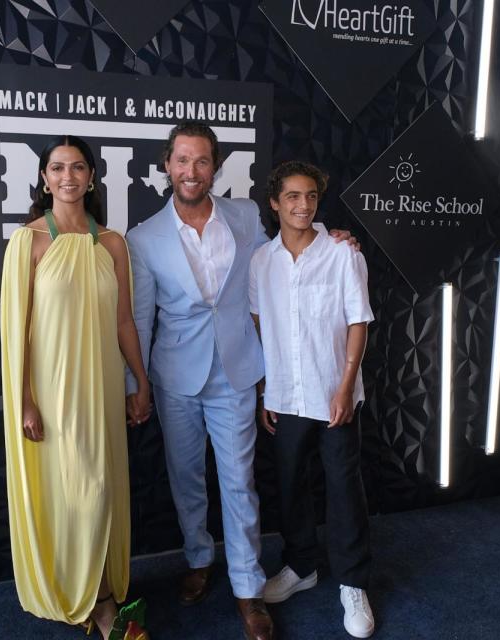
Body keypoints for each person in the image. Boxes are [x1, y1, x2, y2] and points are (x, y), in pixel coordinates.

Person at [126, 123, 356, 640]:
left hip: (237, 371)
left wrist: (331, 236)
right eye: (182, 160)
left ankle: (248, 588)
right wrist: (135, 383)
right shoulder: (142, 239)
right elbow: (140, 319)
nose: (192, 171)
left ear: (215, 168)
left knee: (239, 481)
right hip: (175, 376)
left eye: (202, 161)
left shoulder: (246, 215)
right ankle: (198, 558)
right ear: (167, 165)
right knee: (186, 481)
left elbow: (287, 255)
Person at [0, 135, 152, 639]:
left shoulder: (111, 242)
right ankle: (98, 603)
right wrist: (24, 399)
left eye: (78, 167)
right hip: (52, 387)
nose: (69, 177)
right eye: (58, 168)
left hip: (103, 385)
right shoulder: (28, 241)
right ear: (44, 178)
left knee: (100, 487)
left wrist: (140, 382)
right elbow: (16, 331)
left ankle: (96, 590)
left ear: (92, 177)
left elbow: (124, 321)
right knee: (75, 490)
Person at [250, 161, 375, 638]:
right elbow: (262, 322)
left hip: (334, 395)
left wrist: (344, 386)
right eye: (293, 197)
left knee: (344, 489)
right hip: (284, 395)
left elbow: (358, 321)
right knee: (289, 484)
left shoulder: (343, 254)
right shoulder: (261, 262)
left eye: (311, 197)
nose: (304, 205)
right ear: (275, 203)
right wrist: (268, 385)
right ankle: (302, 567)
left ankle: (353, 583)